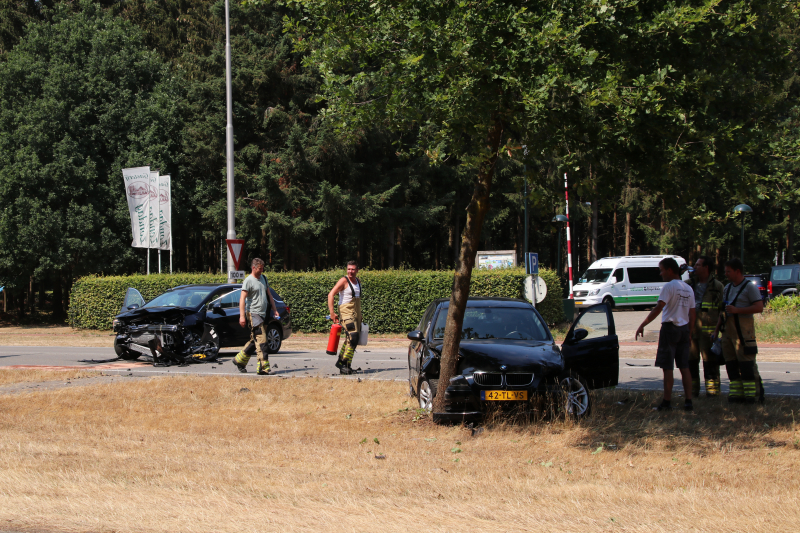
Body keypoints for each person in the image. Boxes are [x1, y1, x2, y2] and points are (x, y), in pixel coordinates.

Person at [635, 257, 696, 411]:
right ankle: (689, 401)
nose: (661, 274)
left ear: (670, 270)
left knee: (667, 367)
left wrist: (643, 324)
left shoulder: (669, 287)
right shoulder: (688, 288)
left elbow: (658, 308)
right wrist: (690, 332)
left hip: (670, 329)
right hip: (684, 329)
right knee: (684, 366)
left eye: (662, 270)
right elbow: (692, 313)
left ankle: (667, 402)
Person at [712, 258, 764, 404]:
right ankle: (736, 395)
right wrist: (716, 331)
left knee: (747, 365)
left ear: (737, 271)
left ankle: (753, 396)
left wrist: (737, 310)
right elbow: (723, 312)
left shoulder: (749, 287)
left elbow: (759, 307)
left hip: (744, 333)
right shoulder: (727, 288)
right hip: (728, 334)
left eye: (728, 271)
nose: (726, 274)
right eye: (725, 271)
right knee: (731, 364)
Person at [233, 258, 280, 375]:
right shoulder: (248, 281)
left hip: (263, 314)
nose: (261, 270)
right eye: (260, 268)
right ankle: (263, 367)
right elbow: (242, 299)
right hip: (253, 313)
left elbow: (269, 295)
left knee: (255, 340)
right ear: (253, 268)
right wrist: (242, 316)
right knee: (262, 340)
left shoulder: (264, 278)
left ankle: (239, 360)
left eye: (262, 268)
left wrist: (275, 310)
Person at [686, 256, 724, 397]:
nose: (695, 267)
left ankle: (713, 393)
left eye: (698, 264)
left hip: (708, 332)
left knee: (710, 363)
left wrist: (717, 331)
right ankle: (693, 392)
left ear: (706, 267)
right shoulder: (688, 284)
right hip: (691, 330)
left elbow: (722, 310)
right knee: (690, 362)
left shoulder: (717, 286)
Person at [327, 260, 362, 375]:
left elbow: (357, 300)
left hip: (356, 313)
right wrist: (332, 313)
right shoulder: (343, 281)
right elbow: (331, 294)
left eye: (353, 269)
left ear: (357, 270)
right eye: (348, 269)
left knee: (352, 339)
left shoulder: (358, 281)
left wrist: (360, 315)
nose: (350, 271)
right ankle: (345, 364)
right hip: (346, 313)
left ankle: (342, 362)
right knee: (353, 337)